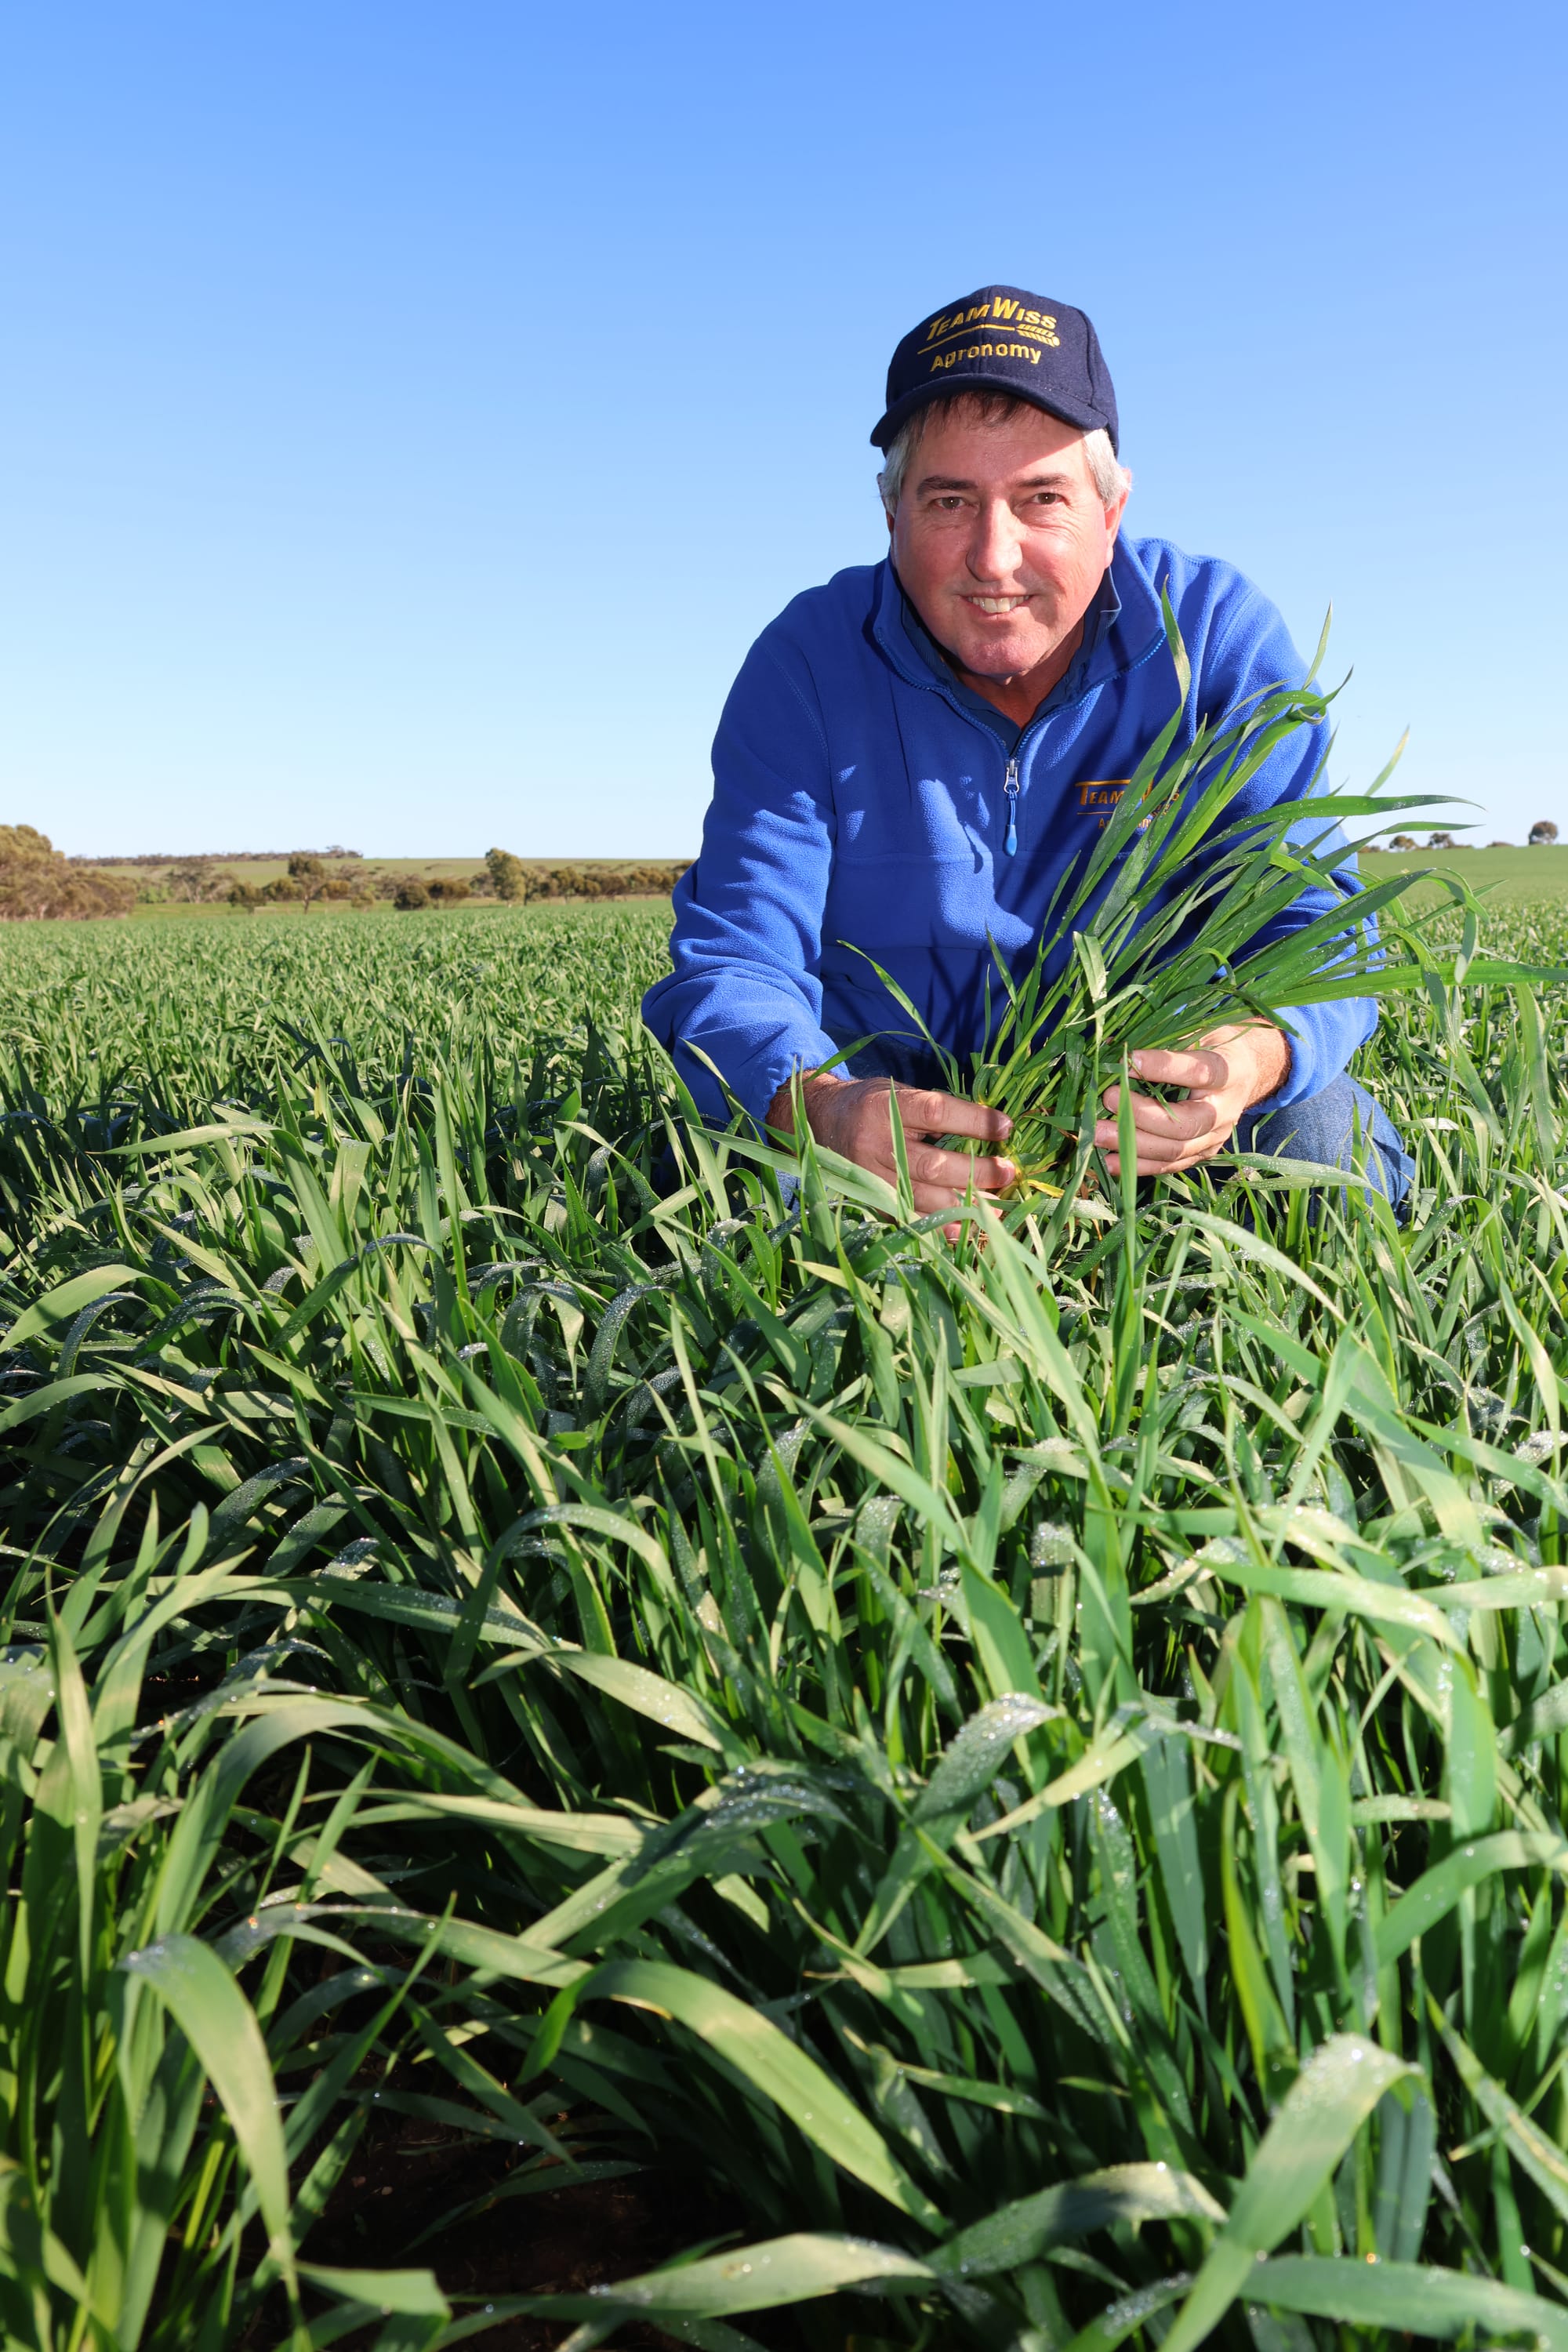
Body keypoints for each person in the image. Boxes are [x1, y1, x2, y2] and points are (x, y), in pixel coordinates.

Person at [642, 285, 1414, 1217]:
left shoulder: (1212, 638)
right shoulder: (806, 661)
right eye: (948, 501)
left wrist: (1242, 1060)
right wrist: (818, 1107)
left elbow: (1317, 931)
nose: (992, 556)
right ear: (891, 513)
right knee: (735, 1188)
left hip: (1137, 1092)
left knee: (1319, 1143)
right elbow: (737, 953)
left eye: (1040, 499)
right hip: (885, 1090)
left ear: (1111, 505)